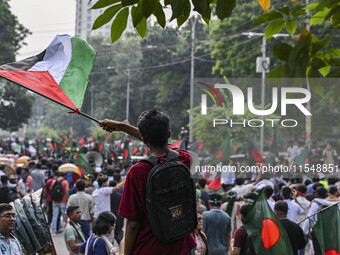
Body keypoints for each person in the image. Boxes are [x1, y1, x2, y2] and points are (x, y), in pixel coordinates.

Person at [99, 109, 196, 255]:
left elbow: (132, 224)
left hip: (149, 248)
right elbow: (162, 144)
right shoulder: (183, 159)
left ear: (144, 140)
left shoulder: (137, 172)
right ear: (169, 134)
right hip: (181, 244)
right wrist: (121, 126)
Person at [51, 171, 69, 235]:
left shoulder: (54, 181)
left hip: (54, 202)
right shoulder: (65, 182)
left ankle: (54, 231)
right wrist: (67, 201)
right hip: (63, 201)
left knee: (55, 216)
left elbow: (51, 190)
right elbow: (66, 192)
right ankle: (66, 231)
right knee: (65, 216)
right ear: (64, 176)